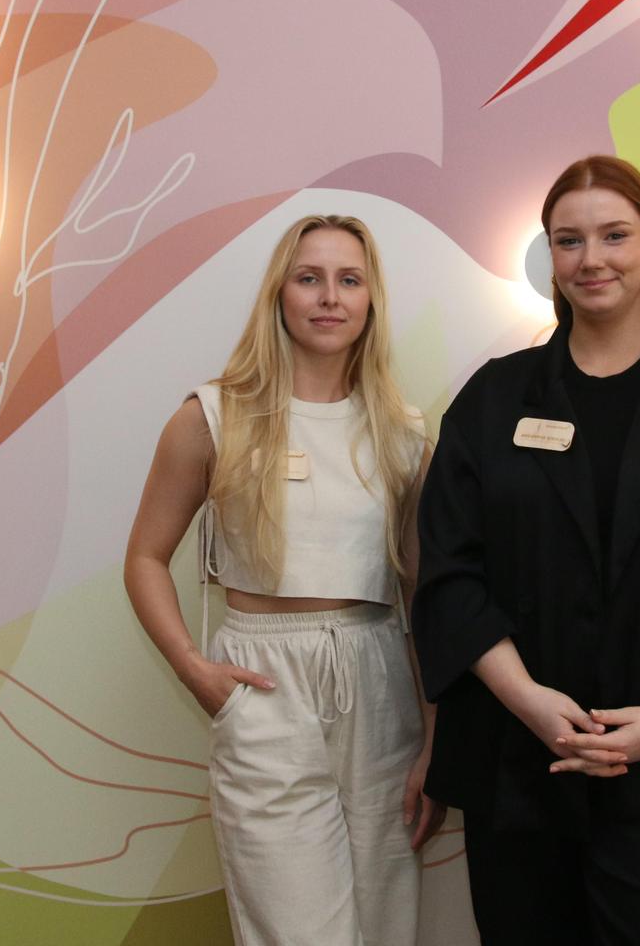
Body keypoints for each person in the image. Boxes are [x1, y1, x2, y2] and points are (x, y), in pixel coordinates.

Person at [412, 155, 640, 944]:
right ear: (551, 259)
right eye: (569, 241)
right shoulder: (493, 397)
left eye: (615, 235)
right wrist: (528, 701)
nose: (592, 259)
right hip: (518, 767)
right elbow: (451, 570)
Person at [122, 213, 440, 946]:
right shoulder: (213, 416)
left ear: (370, 301)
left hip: (380, 679)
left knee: (385, 923)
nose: (329, 297)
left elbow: (423, 592)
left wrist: (433, 739)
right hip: (264, 681)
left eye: (348, 280)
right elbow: (145, 559)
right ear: (280, 294)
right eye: (309, 278)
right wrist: (195, 669)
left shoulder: (405, 432)